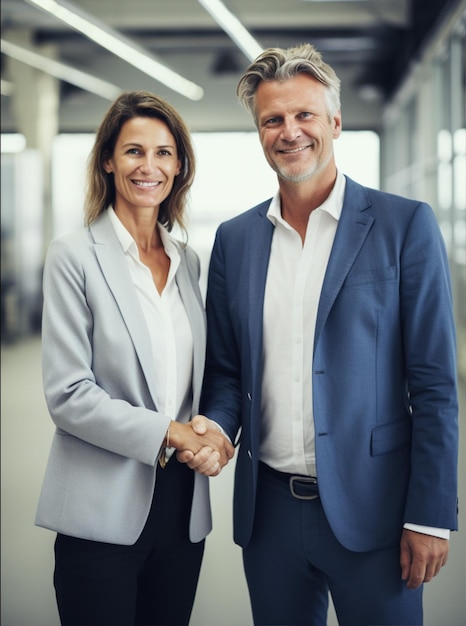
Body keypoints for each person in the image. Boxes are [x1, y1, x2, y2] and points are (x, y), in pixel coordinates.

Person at [179, 44, 459, 625]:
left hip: (377, 509)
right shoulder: (235, 240)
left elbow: (434, 385)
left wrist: (429, 515)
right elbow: (229, 370)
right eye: (272, 119)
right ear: (259, 133)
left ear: (335, 121)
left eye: (304, 115)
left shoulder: (404, 225)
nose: (290, 132)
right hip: (271, 515)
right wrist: (216, 427)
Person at [35, 90, 234, 626]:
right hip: (101, 509)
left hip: (181, 510)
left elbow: (204, 375)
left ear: (180, 166)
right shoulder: (74, 256)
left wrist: (212, 431)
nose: (150, 166)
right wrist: (171, 432)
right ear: (108, 160)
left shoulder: (188, 261)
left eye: (165, 153)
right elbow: (68, 396)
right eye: (134, 151)